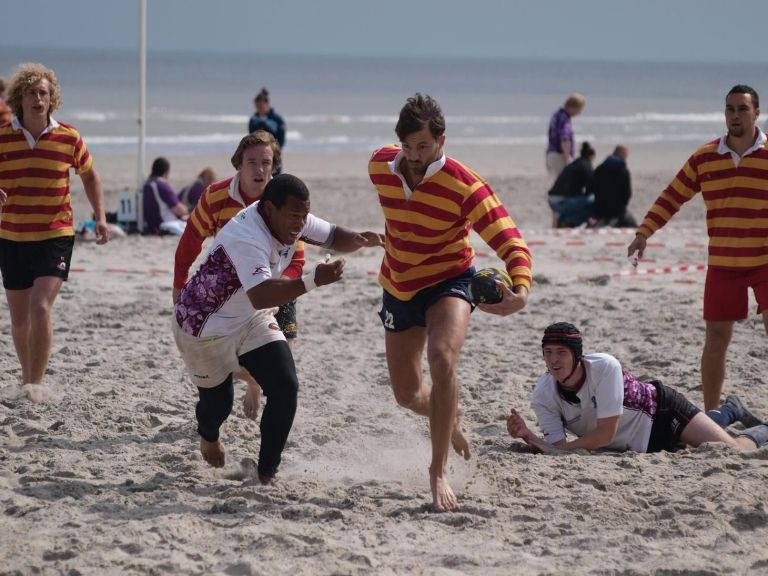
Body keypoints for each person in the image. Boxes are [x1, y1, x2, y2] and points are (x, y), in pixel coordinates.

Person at [368, 93, 533, 511]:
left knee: (442, 362)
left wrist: (521, 291)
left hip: (450, 280)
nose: (414, 156)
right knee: (406, 395)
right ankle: (449, 415)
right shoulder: (379, 166)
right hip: (399, 284)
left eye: (423, 146)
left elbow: (510, 239)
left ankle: (437, 471)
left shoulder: (464, 184)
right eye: (407, 147)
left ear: (442, 140)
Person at [173, 174, 384, 484]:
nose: (299, 225)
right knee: (218, 405)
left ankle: (265, 475)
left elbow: (333, 235)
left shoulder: (289, 215)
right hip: (202, 325)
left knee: (285, 386)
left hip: (249, 319)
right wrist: (314, 280)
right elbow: (261, 295)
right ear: (269, 209)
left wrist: (365, 239)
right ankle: (208, 436)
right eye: (294, 216)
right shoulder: (248, 235)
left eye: (303, 216)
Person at [627, 85, 768, 412]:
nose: (735, 115)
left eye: (742, 109)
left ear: (756, 113)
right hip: (722, 263)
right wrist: (644, 232)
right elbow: (672, 196)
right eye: (730, 109)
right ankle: (711, 413)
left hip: (765, 261)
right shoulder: (705, 157)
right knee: (716, 341)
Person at [0, 63, 110, 401]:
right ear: (20, 98)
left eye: (44, 93)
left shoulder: (69, 136)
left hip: (55, 234)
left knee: (40, 307)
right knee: (19, 319)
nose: (38, 98)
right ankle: (27, 379)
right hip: (12, 235)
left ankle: (36, 384)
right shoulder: (3, 137)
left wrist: (100, 216)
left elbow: (90, 177)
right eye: (32, 93)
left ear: (52, 99)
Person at [173, 131, 298, 419]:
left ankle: (257, 384)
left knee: (283, 355)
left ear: (274, 166)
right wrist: (179, 284)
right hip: (226, 291)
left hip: (273, 285)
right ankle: (251, 380)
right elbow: (191, 240)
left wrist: (281, 287)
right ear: (239, 165)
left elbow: (297, 257)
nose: (259, 169)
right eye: (251, 162)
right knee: (223, 356)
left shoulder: (282, 197)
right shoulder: (217, 196)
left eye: (266, 162)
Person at [507, 322, 768, 455]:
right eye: (548, 353)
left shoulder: (605, 367)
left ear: (577, 356)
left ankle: (763, 428)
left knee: (731, 450)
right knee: (698, 443)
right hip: (640, 447)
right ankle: (731, 410)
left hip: (664, 414)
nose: (553, 360)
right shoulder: (543, 394)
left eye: (561, 353)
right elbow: (558, 449)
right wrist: (528, 436)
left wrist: (552, 446)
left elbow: (604, 436)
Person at [547, 141, 596, 228]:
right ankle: (568, 222)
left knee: (580, 201)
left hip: (552, 199)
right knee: (594, 202)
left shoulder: (576, 163)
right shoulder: (586, 165)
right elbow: (590, 188)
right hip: (561, 202)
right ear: (592, 155)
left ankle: (562, 221)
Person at [590, 145, 637, 228]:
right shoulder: (623, 170)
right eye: (626, 154)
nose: (627, 157)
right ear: (621, 154)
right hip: (617, 210)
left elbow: (592, 188)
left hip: (600, 209)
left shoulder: (599, 169)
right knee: (633, 224)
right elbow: (627, 194)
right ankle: (615, 221)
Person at [142, 157, 188, 235]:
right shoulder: (161, 185)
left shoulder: (146, 185)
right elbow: (178, 209)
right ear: (166, 171)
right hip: (164, 224)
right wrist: (186, 210)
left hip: (150, 225)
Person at [546, 93, 586, 180]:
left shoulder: (556, 115)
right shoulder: (564, 119)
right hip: (559, 156)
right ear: (573, 107)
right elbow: (565, 138)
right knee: (567, 184)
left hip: (551, 154)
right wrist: (568, 158)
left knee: (559, 184)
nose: (579, 113)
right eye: (579, 110)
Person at [248, 88, 286, 153]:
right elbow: (251, 137)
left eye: (261, 106)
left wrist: (276, 151)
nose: (259, 109)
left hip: (273, 152)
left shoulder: (277, 119)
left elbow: (281, 139)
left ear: (267, 104)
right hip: (257, 152)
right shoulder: (253, 120)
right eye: (257, 106)